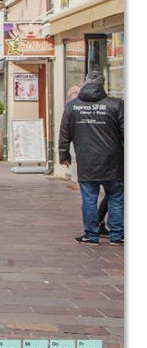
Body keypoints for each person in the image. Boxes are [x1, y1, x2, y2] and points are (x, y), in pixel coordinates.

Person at [58, 71, 124, 245]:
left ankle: (91, 235)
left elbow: (65, 133)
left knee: (89, 198)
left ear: (86, 83)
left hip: (86, 160)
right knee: (116, 197)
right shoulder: (116, 104)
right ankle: (116, 235)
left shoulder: (72, 106)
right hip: (113, 160)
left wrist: (63, 154)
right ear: (103, 84)